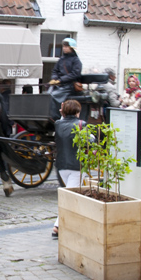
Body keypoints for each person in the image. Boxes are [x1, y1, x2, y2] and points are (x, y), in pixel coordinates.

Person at [51, 99, 85, 238]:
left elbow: (61, 123)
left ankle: (75, 223)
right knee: (70, 196)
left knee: (73, 194)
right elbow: (89, 141)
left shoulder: (58, 124)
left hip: (61, 166)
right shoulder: (82, 124)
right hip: (76, 166)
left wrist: (62, 113)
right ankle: (57, 226)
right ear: (77, 111)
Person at [48, 37, 82, 118]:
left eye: (66, 46)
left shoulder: (76, 60)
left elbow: (75, 74)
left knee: (53, 96)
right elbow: (55, 70)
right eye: (63, 46)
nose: (64, 48)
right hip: (59, 84)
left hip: (69, 85)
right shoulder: (61, 59)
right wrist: (54, 78)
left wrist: (61, 80)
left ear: (72, 48)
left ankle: (55, 117)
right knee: (47, 95)